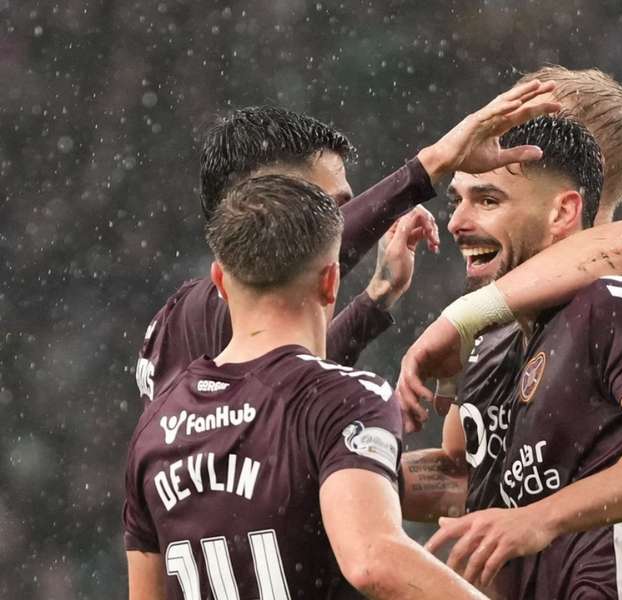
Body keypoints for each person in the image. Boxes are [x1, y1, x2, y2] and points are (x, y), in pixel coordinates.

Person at [123, 175, 486, 599]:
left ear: (220, 282)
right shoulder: (349, 397)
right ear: (331, 280)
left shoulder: (157, 423)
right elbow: (372, 559)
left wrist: (377, 298)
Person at [416, 116, 622, 599]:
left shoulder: (614, 302)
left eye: (488, 199)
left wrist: (539, 519)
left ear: (563, 213)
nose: (456, 221)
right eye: (457, 200)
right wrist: (341, 473)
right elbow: (467, 481)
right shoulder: (492, 344)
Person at [135, 80, 561, 404]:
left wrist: (376, 300)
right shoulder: (205, 304)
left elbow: (279, 391)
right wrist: (431, 165)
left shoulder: (212, 326)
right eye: (327, 208)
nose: (333, 226)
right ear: (259, 198)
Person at [398, 67, 622, 525]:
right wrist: (342, 477)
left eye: (532, 122)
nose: (498, 136)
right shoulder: (496, 325)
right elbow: (465, 478)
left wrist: (462, 316)